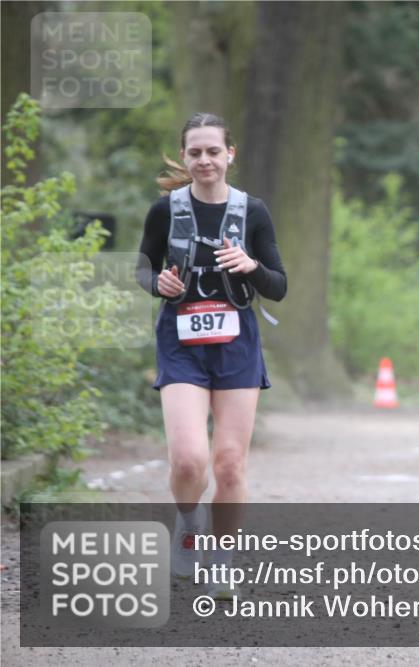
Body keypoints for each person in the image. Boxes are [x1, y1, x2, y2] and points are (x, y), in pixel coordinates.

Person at [135, 112, 287, 600]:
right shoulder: (165, 210)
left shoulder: (253, 211)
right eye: (195, 152)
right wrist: (156, 282)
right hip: (181, 343)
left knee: (227, 465)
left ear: (229, 155)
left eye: (213, 151)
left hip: (236, 343)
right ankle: (187, 523)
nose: (204, 160)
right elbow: (142, 266)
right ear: (184, 156)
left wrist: (251, 265)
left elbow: (279, 286)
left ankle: (221, 560)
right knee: (188, 460)